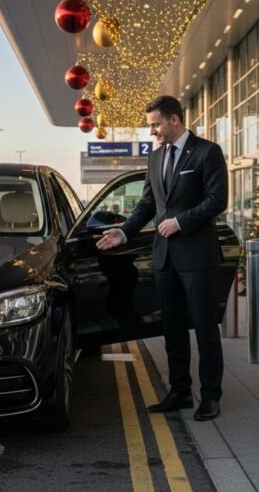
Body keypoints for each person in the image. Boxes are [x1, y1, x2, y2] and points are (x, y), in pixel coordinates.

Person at [96, 95, 228, 421]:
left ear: (174, 120)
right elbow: (146, 205)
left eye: (155, 124)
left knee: (205, 329)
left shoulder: (207, 152)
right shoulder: (156, 158)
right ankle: (179, 391)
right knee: (173, 329)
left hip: (197, 256)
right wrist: (123, 232)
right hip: (165, 258)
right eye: (150, 125)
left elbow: (217, 200)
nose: (152, 131)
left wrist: (180, 222)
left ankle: (211, 396)